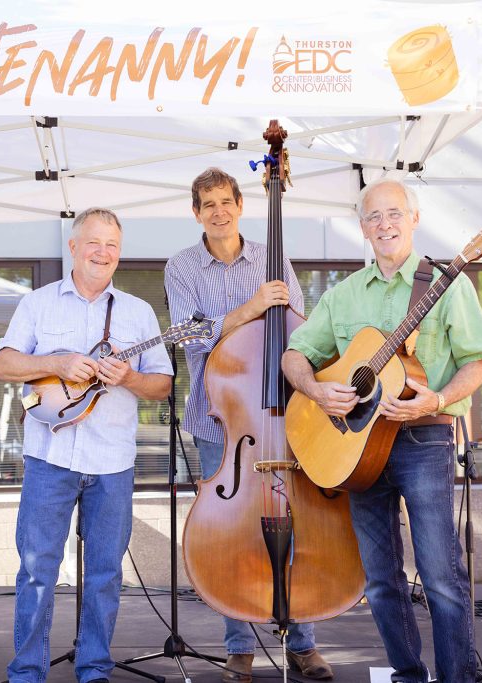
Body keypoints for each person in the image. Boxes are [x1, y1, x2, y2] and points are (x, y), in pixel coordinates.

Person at [282, 178, 482, 683]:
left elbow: (479, 361)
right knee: (380, 580)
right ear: (363, 229)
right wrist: (316, 391)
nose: (385, 225)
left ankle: (457, 678)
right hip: (355, 451)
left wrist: (439, 398)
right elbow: (296, 354)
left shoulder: (448, 283)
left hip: (423, 439)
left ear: (414, 219)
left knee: (441, 575)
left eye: (394, 213)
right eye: (374, 217)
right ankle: (408, 674)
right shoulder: (343, 295)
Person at [163, 167, 333, 682]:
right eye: (208, 204)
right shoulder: (182, 265)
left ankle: (302, 643)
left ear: (241, 204)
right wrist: (250, 308)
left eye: (226, 202)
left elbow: (302, 333)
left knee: (298, 523)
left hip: (281, 413)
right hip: (222, 418)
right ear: (196, 212)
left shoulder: (272, 257)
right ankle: (239, 645)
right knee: (232, 534)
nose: (219, 211)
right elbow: (188, 337)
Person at [0, 207, 172, 683]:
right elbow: (4, 363)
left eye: (112, 245)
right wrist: (58, 361)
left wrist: (130, 377)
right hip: (49, 459)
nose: (103, 252)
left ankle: (94, 668)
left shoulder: (138, 311)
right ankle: (27, 672)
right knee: (36, 571)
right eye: (94, 242)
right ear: (72, 247)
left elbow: (163, 386)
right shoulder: (38, 303)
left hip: (112, 462)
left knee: (105, 575)